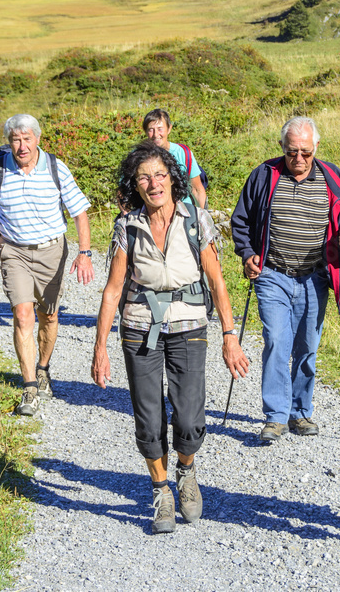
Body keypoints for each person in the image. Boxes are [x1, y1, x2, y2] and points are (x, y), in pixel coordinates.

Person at [91, 142, 248, 534]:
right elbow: (112, 290)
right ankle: (161, 490)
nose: (153, 183)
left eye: (160, 175)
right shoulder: (128, 225)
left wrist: (230, 335)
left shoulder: (195, 218)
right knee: (148, 417)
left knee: (190, 415)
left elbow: (216, 279)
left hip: (189, 324)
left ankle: (187, 470)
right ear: (135, 185)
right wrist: (100, 347)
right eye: (144, 177)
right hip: (140, 326)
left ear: (172, 179)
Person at [230, 117, 340, 442]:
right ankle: (276, 416)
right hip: (273, 273)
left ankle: (300, 411)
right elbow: (242, 220)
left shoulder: (333, 179)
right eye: (292, 151)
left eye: (305, 152)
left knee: (308, 345)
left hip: (316, 277)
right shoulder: (264, 176)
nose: (299, 159)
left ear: (315, 148)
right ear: (282, 147)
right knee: (278, 340)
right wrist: (248, 253)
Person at [0, 113, 95, 417]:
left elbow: (79, 212)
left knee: (48, 316)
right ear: (9, 142)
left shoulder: (56, 167)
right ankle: (29, 388)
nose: (21, 145)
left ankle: (42, 367)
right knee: (23, 314)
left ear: (37, 139)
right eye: (15, 139)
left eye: (27, 139)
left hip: (52, 251)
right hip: (14, 252)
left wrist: (85, 253)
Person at [143, 108, 207, 208]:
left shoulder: (183, 153)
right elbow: (123, 191)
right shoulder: (139, 157)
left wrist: (202, 217)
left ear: (169, 129)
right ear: (146, 132)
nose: (156, 134)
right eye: (151, 130)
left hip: (184, 211)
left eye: (160, 129)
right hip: (150, 212)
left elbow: (197, 189)